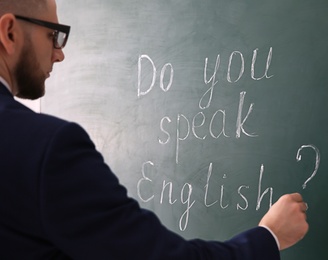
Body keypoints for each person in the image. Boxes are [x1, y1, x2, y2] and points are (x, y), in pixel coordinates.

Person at [0, 0, 309, 259]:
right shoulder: (48, 149)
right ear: (9, 32)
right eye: (53, 35)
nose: (59, 53)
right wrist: (269, 237)